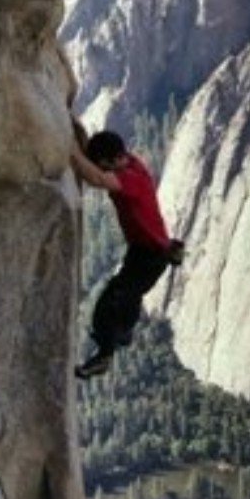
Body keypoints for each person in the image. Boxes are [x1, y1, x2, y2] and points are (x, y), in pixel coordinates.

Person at [70, 125, 185, 379]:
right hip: (146, 253)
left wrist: (71, 153)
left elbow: (98, 179)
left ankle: (105, 355)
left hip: (150, 256)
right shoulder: (128, 162)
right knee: (129, 293)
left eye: (102, 164)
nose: (101, 168)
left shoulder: (130, 178)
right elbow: (100, 164)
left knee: (108, 304)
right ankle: (123, 332)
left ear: (111, 162)